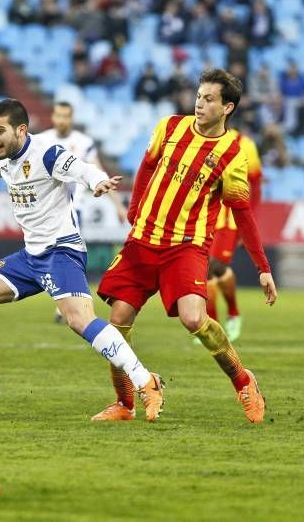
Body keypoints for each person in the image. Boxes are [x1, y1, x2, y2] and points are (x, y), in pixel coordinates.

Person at [0, 98, 165, 421]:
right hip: (31, 256)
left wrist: (97, 181)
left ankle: (144, 381)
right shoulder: (2, 160)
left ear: (21, 130)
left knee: (79, 320)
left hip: (60, 251)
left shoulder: (46, 154)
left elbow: (81, 168)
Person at [93, 68, 277, 424]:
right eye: (198, 96)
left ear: (228, 108)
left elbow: (243, 213)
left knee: (194, 317)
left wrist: (262, 267)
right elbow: (147, 167)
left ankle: (243, 381)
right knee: (116, 323)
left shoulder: (233, 154)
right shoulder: (169, 127)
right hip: (143, 240)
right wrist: (134, 211)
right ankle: (126, 402)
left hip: (185, 246)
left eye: (209, 99)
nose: (199, 104)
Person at [39, 101, 126, 323]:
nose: (62, 120)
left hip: (71, 209)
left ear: (72, 117)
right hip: (45, 210)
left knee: (67, 256)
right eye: (58, 115)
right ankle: (68, 302)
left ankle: (69, 305)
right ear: (53, 116)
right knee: (51, 257)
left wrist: (117, 205)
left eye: (66, 116)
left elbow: (98, 171)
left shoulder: (83, 143)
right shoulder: (42, 140)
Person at [203, 127, 263, 343]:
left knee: (212, 266)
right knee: (207, 270)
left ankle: (225, 318)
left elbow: (255, 184)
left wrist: (250, 221)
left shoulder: (244, 143)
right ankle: (215, 323)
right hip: (203, 215)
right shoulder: (198, 138)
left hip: (229, 218)